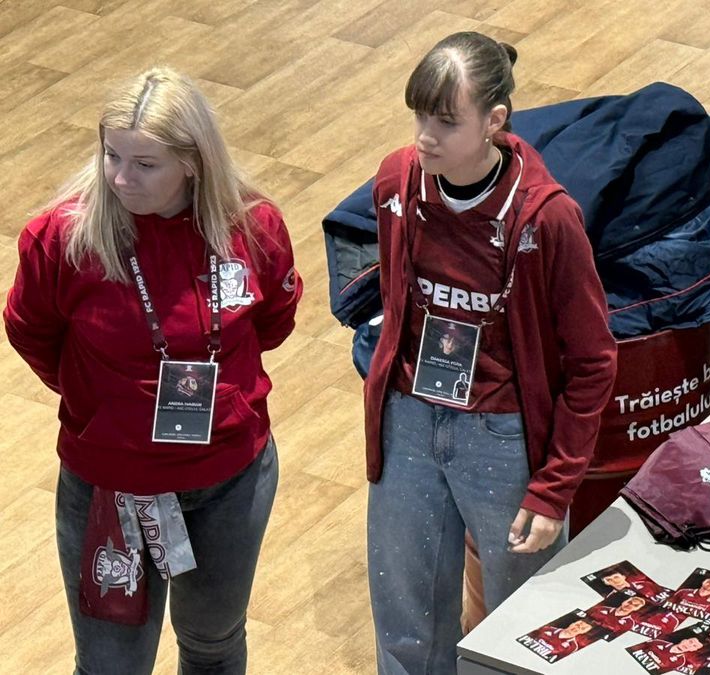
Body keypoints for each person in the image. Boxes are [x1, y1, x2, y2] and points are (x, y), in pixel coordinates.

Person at [4, 66, 301, 674]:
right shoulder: (62, 238)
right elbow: (30, 329)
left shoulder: (253, 227)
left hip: (227, 480)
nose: (120, 177)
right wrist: (103, 405)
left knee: (214, 645)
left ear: (192, 162)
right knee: (110, 665)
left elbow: (273, 321)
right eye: (112, 155)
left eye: (144, 164)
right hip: (109, 486)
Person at [362, 31, 618, 674]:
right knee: (405, 633)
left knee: (521, 637)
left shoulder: (548, 219)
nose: (425, 137)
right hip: (409, 421)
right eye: (419, 116)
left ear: (494, 121)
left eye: (446, 122)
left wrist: (553, 489)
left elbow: (593, 361)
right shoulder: (397, 181)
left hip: (504, 439)